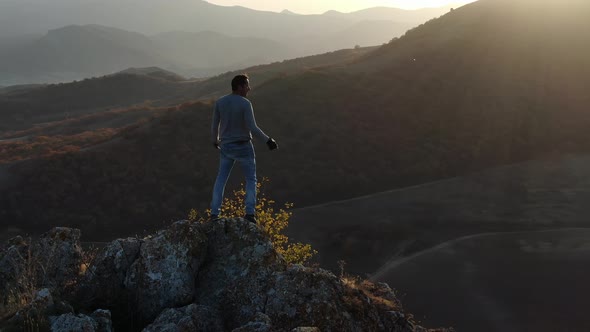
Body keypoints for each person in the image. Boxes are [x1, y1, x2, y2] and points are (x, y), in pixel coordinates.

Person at [210, 74, 278, 223]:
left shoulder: (220, 102)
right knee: (251, 179)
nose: (249, 88)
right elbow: (252, 128)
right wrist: (268, 140)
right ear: (240, 86)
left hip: (226, 146)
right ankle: (249, 213)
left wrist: (215, 140)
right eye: (247, 85)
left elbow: (215, 124)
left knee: (221, 179)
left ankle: (214, 214)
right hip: (243, 146)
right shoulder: (245, 104)